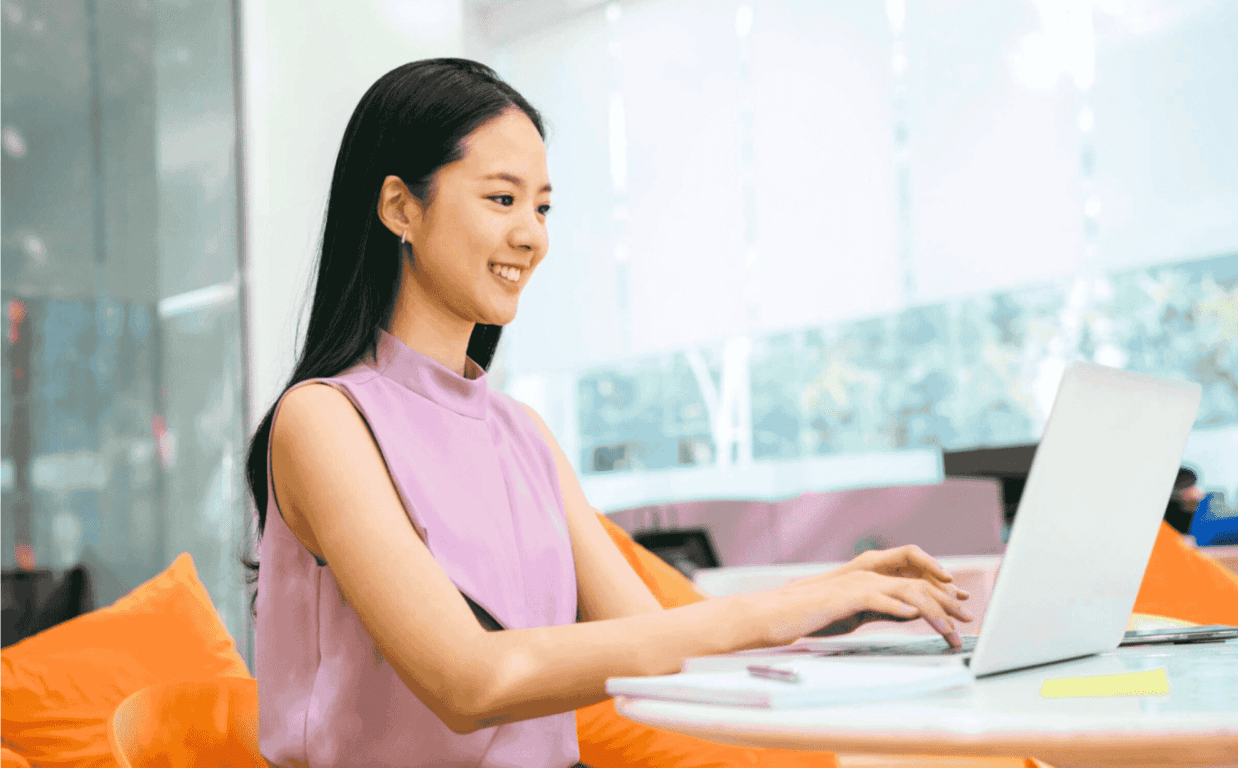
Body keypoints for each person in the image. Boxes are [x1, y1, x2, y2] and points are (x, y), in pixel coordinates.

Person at [241, 58, 972, 768]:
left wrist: (827, 599)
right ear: (401, 206)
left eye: (543, 206)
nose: (532, 235)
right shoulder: (324, 421)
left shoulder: (521, 434)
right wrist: (778, 610)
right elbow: (470, 682)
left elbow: (652, 643)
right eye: (502, 199)